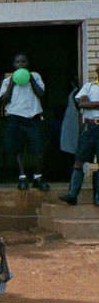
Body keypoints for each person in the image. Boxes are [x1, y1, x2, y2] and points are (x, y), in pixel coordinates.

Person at [0, 53, 48, 190]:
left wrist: (31, 80)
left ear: (27, 64)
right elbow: (2, 102)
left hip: (34, 116)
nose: (20, 64)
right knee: (17, 148)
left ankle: (38, 177)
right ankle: (22, 177)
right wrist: (11, 85)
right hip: (15, 117)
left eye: (23, 62)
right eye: (18, 62)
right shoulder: (7, 81)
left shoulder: (36, 76)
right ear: (14, 65)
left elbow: (41, 94)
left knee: (38, 148)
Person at [59, 64, 99, 205]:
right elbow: (81, 104)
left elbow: (86, 103)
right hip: (88, 127)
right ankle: (73, 194)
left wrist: (90, 103)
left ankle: (97, 197)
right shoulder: (89, 86)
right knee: (79, 160)